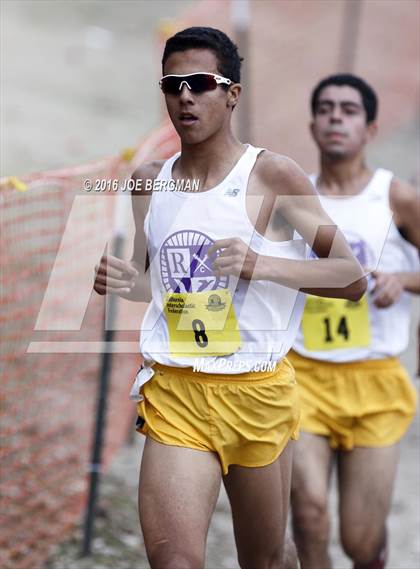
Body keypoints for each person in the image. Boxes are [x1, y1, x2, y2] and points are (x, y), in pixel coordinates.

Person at [94, 29, 366, 569]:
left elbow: (349, 278)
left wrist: (258, 262)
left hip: (256, 392)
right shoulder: (150, 182)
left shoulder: (271, 174)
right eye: (173, 85)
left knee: (264, 561)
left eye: (200, 83)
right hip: (177, 391)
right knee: (174, 562)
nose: (185, 97)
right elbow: (161, 283)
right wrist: (129, 281)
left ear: (232, 94)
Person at [289, 74, 419, 568]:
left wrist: (401, 281)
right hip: (304, 375)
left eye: (348, 110)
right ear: (313, 125)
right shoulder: (294, 197)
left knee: (361, 543)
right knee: (309, 513)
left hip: (375, 382)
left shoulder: (395, 197)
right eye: (326, 109)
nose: (336, 117)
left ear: (371, 128)